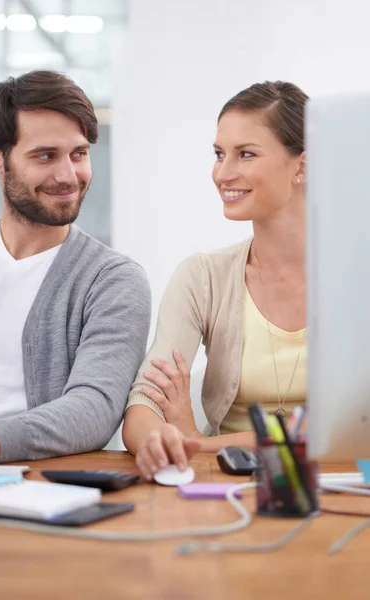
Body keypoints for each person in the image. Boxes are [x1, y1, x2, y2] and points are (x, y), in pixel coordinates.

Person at [0, 70, 151, 465]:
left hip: (28, 481)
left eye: (78, 154)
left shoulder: (112, 280)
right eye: (45, 156)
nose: (68, 176)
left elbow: (94, 408)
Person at [122, 81, 308, 480]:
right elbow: (144, 405)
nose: (222, 173)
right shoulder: (203, 276)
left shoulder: (357, 280)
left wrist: (202, 441)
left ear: (303, 166)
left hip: (342, 487)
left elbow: (343, 435)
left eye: (246, 154)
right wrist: (159, 438)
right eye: (219, 154)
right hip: (229, 484)